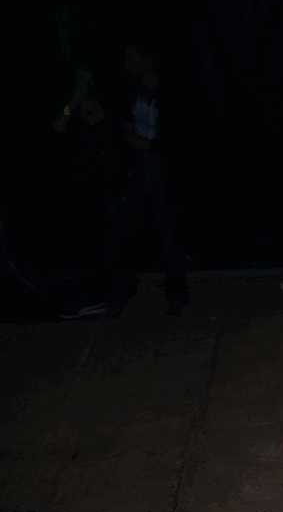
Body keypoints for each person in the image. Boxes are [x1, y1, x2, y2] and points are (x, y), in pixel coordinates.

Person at [54, 41, 191, 318]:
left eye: (88, 80)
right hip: (106, 180)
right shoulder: (80, 102)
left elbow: (180, 137)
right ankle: (99, 296)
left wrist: (147, 145)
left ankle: (173, 298)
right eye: (80, 80)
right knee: (112, 240)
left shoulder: (117, 100)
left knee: (163, 243)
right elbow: (59, 125)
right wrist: (74, 97)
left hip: (130, 179)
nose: (85, 85)